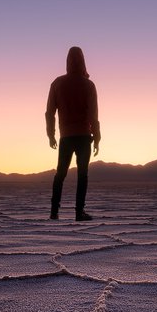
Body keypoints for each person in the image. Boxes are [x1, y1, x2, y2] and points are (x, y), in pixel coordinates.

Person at [46, 46, 100, 221]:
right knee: (82, 175)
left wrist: (51, 134)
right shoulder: (89, 85)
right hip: (84, 136)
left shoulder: (57, 83)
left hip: (66, 137)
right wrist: (97, 137)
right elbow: (93, 115)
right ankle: (79, 212)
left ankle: (54, 212)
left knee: (60, 174)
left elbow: (49, 113)